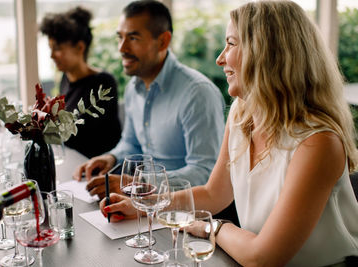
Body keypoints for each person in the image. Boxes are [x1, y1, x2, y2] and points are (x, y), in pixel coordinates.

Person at [99, 1, 358, 266]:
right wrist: (146, 205)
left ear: (268, 53)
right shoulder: (242, 112)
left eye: (231, 44)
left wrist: (212, 227)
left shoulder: (319, 143)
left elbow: (262, 257)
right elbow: (214, 194)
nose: (219, 58)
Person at [73, 0, 226, 198]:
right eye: (120, 37)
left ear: (163, 41)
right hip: (144, 204)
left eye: (133, 38)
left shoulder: (197, 93)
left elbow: (205, 173)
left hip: (186, 213)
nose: (122, 48)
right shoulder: (132, 88)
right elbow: (131, 144)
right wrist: (110, 158)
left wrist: (140, 183)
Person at [40, 6, 122, 158]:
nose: (52, 55)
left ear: (79, 47)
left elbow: (77, 134)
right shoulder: (66, 78)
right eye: (50, 48)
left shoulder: (103, 83)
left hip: (97, 169)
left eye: (57, 48)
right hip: (73, 163)